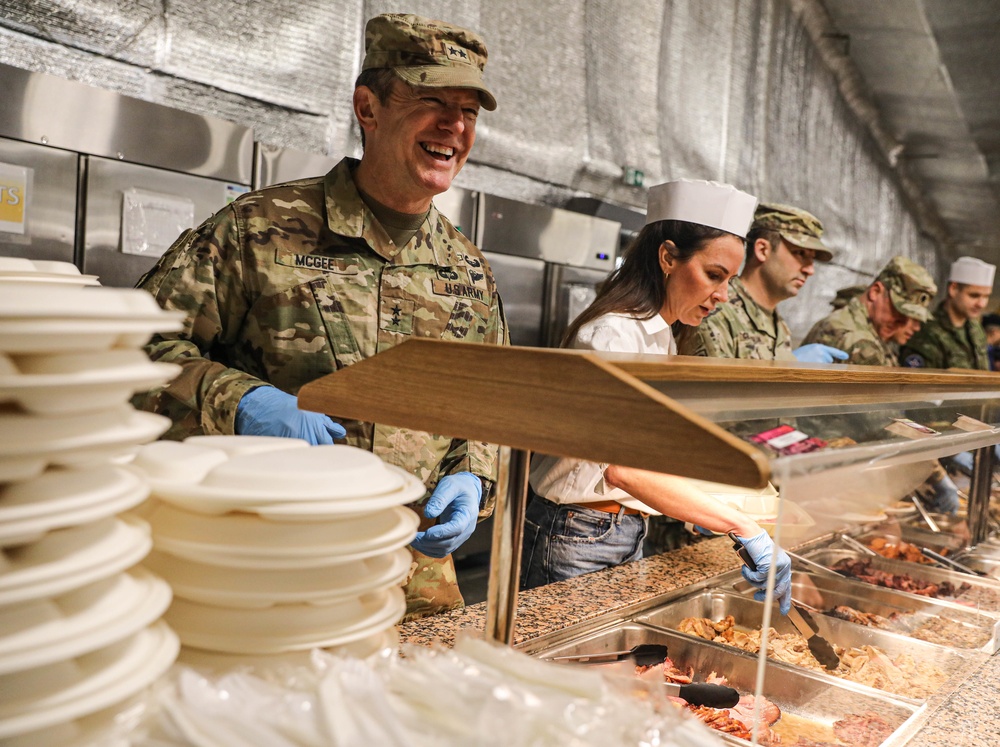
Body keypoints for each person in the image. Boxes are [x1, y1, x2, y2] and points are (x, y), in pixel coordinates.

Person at [132, 13, 508, 621]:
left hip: (412, 590)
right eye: (432, 100)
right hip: (269, 575)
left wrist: (475, 475)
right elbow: (132, 355)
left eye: (469, 111)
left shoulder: (468, 271)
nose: (454, 126)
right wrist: (242, 402)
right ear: (369, 107)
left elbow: (491, 406)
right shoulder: (257, 229)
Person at [520, 179, 793, 614]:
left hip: (622, 528)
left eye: (730, 281)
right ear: (667, 257)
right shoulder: (613, 334)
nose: (723, 296)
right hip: (577, 534)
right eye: (714, 276)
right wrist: (740, 525)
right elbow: (624, 468)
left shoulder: (663, 335)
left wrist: (702, 507)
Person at [802, 257, 959, 513]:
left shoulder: (872, 333)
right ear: (875, 292)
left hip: (837, 468)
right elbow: (883, 420)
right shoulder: (856, 339)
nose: (906, 324)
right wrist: (934, 468)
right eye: (901, 312)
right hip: (824, 473)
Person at [676, 202, 847, 363]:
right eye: (800, 254)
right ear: (762, 250)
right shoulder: (714, 313)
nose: (810, 270)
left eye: (812, 259)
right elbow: (713, 392)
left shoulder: (778, 325)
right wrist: (788, 366)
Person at [802, 256, 935, 366]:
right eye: (900, 310)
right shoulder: (861, 344)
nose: (904, 322)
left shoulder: (863, 326)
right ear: (875, 292)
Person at [901, 256, 996, 370]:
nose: (981, 304)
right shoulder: (927, 332)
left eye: (986, 296)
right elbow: (921, 384)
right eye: (974, 295)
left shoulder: (975, 329)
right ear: (953, 289)